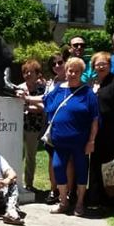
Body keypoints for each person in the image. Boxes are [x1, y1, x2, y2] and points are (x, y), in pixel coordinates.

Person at [43, 57, 100, 216]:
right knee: (58, 167)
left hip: (80, 142)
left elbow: (95, 119)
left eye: (77, 71)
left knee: (82, 171)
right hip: (59, 141)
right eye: (70, 70)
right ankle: (63, 201)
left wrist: (91, 141)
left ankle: (80, 203)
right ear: (66, 71)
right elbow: (44, 102)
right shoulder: (59, 89)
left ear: (81, 73)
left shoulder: (88, 93)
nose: (73, 73)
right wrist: (24, 98)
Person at [87, 51, 114, 211]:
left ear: (109, 65)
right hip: (95, 131)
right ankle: (94, 196)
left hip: (112, 130)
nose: (100, 66)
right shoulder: (92, 83)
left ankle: (112, 197)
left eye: (104, 63)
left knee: (110, 162)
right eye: (97, 64)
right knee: (95, 163)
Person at [41, 51, 70, 204]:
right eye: (54, 64)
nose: (57, 66)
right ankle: (54, 190)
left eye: (60, 62)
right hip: (51, 127)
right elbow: (44, 103)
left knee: (68, 162)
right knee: (52, 160)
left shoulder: (72, 81)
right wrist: (25, 99)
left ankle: (67, 192)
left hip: (67, 127)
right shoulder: (50, 84)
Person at [17, 59, 45, 191]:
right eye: (25, 72)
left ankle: (28, 184)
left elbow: (42, 107)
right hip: (18, 126)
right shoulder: (19, 88)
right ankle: (15, 182)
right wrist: (31, 106)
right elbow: (17, 107)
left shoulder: (41, 89)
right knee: (18, 155)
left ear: (37, 74)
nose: (28, 74)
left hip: (33, 127)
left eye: (31, 72)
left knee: (31, 157)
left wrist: (27, 105)